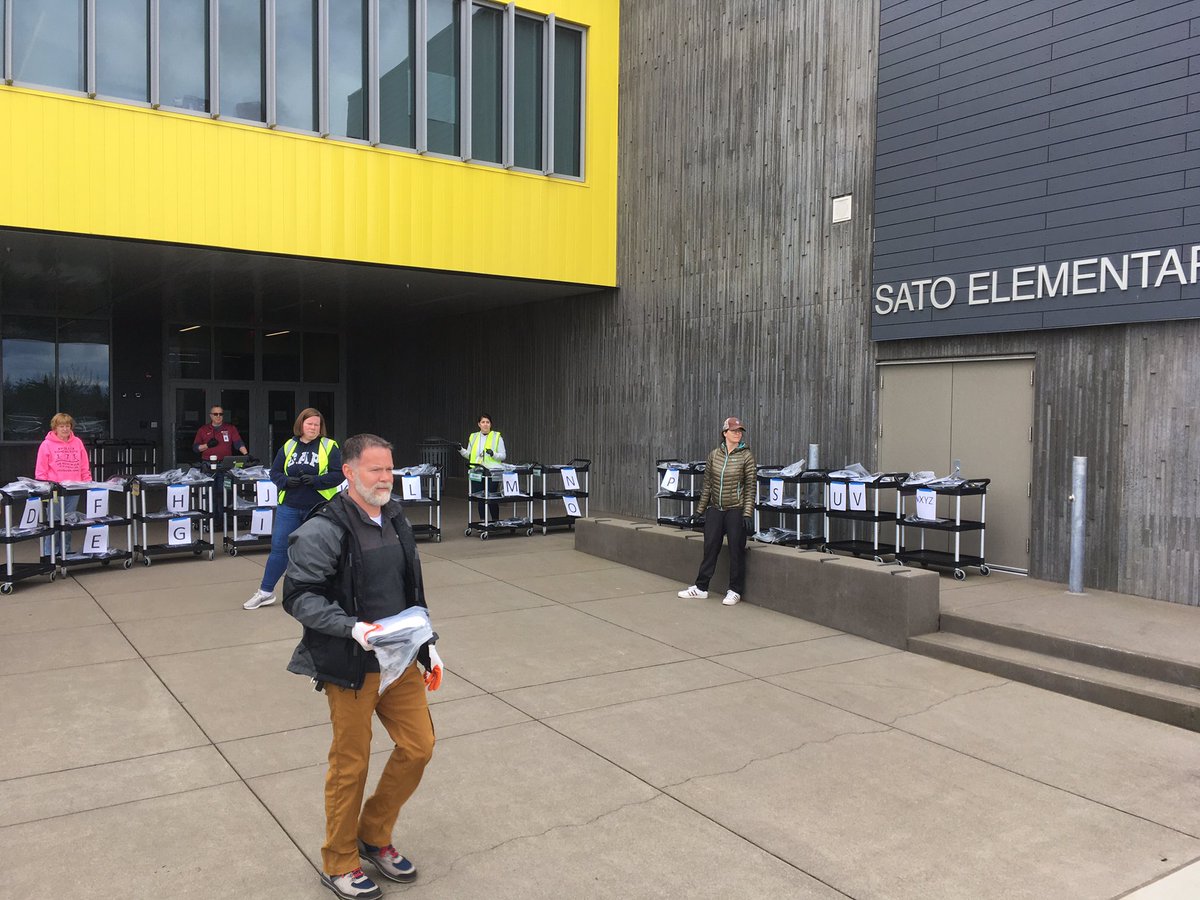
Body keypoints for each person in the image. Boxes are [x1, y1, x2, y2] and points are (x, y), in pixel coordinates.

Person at [282, 433, 442, 900]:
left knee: (419, 747)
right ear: (349, 472)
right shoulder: (325, 527)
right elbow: (298, 596)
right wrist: (351, 627)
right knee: (350, 765)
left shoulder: (395, 517)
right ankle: (339, 860)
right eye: (375, 470)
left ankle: (373, 833)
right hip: (351, 663)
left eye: (389, 469)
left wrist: (428, 642)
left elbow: (411, 588)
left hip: (401, 658)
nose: (386, 479)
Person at [244, 408, 342, 610]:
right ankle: (265, 592)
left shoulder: (329, 446)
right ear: (301, 425)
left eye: (317, 424)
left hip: (318, 507)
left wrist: (316, 481)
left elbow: (339, 474)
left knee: (320, 552)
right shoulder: (289, 445)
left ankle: (324, 593)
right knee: (279, 550)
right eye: (309, 424)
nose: (313, 428)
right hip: (289, 506)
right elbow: (275, 472)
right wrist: (287, 482)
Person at [678, 416, 757, 606]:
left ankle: (735, 590)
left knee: (736, 551)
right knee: (710, 548)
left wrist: (747, 513)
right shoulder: (714, 455)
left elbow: (750, 487)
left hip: (736, 510)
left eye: (740, 431)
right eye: (734, 430)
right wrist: (699, 510)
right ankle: (701, 587)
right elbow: (707, 486)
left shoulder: (746, 456)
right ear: (724, 433)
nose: (738, 433)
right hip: (716, 509)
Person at [34, 413, 91, 558]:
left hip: (73, 488)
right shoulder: (46, 444)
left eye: (67, 426)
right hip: (55, 490)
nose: (65, 429)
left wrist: (87, 480)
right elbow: (41, 469)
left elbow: (84, 464)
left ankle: (65, 551)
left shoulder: (77, 442)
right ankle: (49, 553)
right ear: (55, 427)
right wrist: (44, 486)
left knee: (68, 522)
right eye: (61, 426)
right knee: (54, 522)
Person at [191, 404, 248, 523]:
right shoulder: (203, 430)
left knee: (226, 490)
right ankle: (209, 519)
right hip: (208, 465)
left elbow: (238, 443)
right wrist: (207, 445)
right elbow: (195, 448)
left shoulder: (230, 428)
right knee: (209, 491)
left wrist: (246, 455)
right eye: (215, 414)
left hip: (225, 466)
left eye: (220, 414)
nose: (218, 416)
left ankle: (224, 519)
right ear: (210, 415)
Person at [457, 414, 506, 522]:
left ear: (491, 424)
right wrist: (461, 450)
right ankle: (483, 522)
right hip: (477, 470)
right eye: (483, 422)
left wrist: (493, 454)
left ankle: (495, 521)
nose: (485, 424)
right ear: (479, 424)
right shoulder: (473, 437)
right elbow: (470, 455)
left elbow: (503, 455)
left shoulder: (497, 437)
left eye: (487, 422)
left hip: (492, 471)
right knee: (480, 497)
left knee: (491, 497)